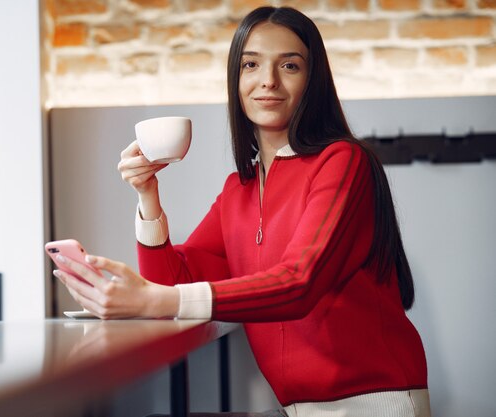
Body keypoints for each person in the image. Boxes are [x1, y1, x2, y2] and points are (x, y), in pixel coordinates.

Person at [53, 6, 430, 417]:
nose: (268, 81)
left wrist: (152, 300)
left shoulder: (343, 161)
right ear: (236, 80)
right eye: (251, 64)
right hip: (299, 409)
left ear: (313, 81)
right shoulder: (240, 190)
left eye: (289, 65)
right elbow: (173, 279)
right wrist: (147, 196)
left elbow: (299, 283)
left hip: (374, 405)